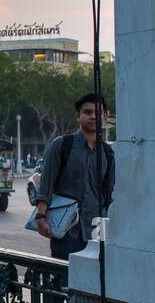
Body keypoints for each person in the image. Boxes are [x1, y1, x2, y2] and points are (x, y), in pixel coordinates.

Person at [34, 93, 115, 260]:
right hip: (67, 231)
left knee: (94, 283)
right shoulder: (62, 145)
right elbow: (46, 185)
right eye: (87, 112)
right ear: (78, 116)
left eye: (98, 113)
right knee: (65, 281)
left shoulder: (108, 153)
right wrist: (40, 217)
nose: (93, 116)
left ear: (105, 118)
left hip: (97, 231)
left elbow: (109, 194)